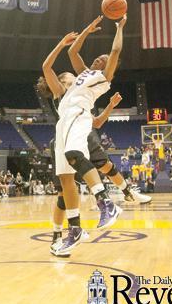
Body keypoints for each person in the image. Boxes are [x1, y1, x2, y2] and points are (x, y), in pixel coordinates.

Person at [54, 14, 127, 254]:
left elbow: (115, 51)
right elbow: (72, 53)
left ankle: (106, 202)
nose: (100, 58)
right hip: (63, 121)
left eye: (102, 59)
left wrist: (119, 27)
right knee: (66, 179)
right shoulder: (83, 72)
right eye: (98, 57)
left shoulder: (103, 78)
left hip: (79, 115)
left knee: (75, 153)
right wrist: (87, 30)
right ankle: (74, 229)